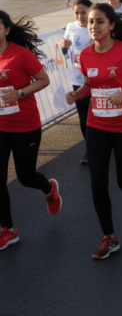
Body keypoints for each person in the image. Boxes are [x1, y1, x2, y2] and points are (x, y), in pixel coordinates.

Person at [65, 4, 122, 259]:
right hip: (97, 125)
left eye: (100, 21)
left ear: (112, 25)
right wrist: (76, 94)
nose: (94, 26)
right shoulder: (85, 55)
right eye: (91, 22)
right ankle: (109, 237)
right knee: (98, 182)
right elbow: (88, 85)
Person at [0, 12, 61, 251]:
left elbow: (43, 79)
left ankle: (48, 188)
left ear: (6, 30)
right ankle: (8, 230)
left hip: (25, 126)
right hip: (1, 127)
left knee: (25, 177)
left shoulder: (20, 54)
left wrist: (19, 93)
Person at [60, 0, 94, 164]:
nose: (80, 16)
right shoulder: (71, 27)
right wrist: (63, 46)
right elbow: (66, 54)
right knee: (83, 116)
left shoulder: (96, 26)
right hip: (78, 78)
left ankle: (104, 147)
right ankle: (90, 150)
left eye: (83, 12)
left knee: (98, 114)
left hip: (97, 79)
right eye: (77, 13)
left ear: (90, 11)